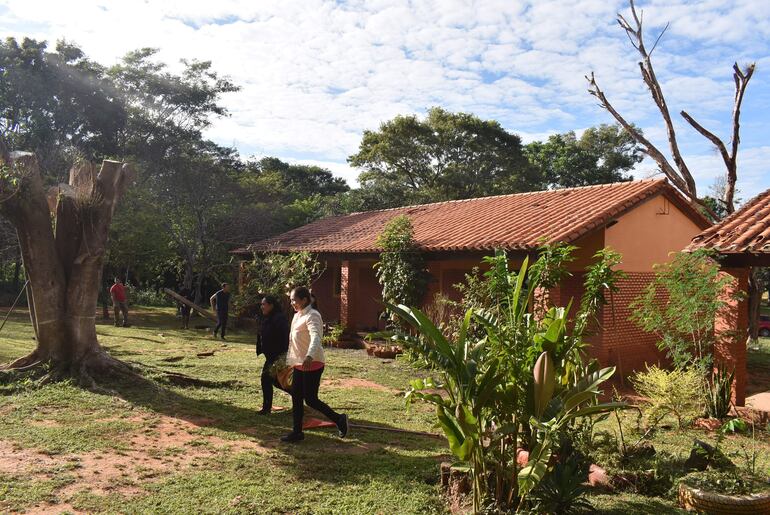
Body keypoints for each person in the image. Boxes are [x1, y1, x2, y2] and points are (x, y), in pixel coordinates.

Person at [281, 286, 348, 443]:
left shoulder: (313, 315)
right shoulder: (298, 316)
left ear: (304, 300)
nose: (292, 303)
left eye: (294, 300)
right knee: (296, 397)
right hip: (299, 363)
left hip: (313, 362)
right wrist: (290, 360)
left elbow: (316, 337)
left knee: (310, 399)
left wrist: (310, 355)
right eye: (291, 300)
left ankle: (339, 419)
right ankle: (297, 432)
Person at [257, 295, 289, 415]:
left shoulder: (279, 318)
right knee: (276, 381)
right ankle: (298, 394)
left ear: (271, 305)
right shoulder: (268, 317)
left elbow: (284, 338)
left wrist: (281, 356)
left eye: (264, 304)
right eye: (262, 304)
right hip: (270, 356)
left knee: (266, 379)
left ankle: (266, 409)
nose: (262, 307)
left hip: (277, 356)